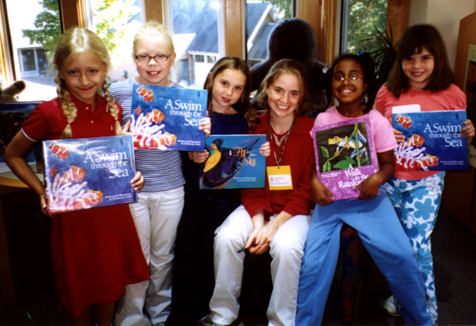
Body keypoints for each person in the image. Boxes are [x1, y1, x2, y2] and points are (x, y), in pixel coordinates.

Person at [3, 27, 149, 326]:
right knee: (79, 288)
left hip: (112, 219)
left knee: (109, 286)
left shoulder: (113, 108)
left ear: (105, 69)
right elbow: (13, 154)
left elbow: (113, 162)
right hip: (74, 225)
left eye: (93, 71)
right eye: (73, 72)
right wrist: (43, 192)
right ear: (60, 73)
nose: (84, 81)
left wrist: (133, 176)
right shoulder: (49, 113)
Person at [295, 53, 433, 326]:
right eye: (339, 76)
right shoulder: (323, 120)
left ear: (366, 84)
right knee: (312, 265)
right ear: (332, 84)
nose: (346, 81)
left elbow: (388, 166)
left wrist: (377, 180)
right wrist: (313, 181)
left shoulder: (377, 121)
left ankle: (421, 320)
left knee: (402, 256)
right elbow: (317, 164)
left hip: (368, 199)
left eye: (354, 76)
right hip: (331, 202)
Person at [108, 21, 211, 326]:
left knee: (163, 257)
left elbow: (195, 155)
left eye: (160, 56)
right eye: (143, 56)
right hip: (132, 189)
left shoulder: (186, 97)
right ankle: (130, 319)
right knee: (136, 258)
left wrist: (200, 134)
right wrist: (120, 139)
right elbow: (105, 145)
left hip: (171, 188)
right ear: (133, 58)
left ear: (172, 57)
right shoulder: (119, 92)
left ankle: (159, 316)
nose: (152, 63)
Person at [374, 24, 475, 325]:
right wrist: (384, 134)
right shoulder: (387, 92)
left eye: (425, 58)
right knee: (395, 247)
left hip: (426, 181)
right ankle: (402, 296)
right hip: (390, 179)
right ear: (400, 61)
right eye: (409, 59)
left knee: (418, 248)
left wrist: (467, 133)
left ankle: (425, 315)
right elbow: (372, 137)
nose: (417, 66)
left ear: (437, 58)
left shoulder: (453, 94)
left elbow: (452, 142)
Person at [206, 59, 315, 326]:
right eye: (279, 90)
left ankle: (281, 321)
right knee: (226, 237)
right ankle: (223, 315)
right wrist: (258, 224)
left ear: (301, 98)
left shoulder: (312, 130)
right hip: (256, 206)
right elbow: (248, 181)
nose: (285, 100)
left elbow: (306, 189)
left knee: (287, 247)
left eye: (293, 93)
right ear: (267, 88)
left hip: (293, 211)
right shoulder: (253, 125)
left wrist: (273, 226)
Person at [169, 56, 269, 325]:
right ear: (212, 77)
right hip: (193, 193)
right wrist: (192, 153)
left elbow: (248, 159)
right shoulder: (193, 110)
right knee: (187, 251)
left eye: (238, 88)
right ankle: (182, 312)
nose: (229, 93)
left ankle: (208, 307)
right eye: (225, 83)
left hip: (225, 197)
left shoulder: (244, 119)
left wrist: (261, 152)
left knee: (212, 251)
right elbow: (174, 146)